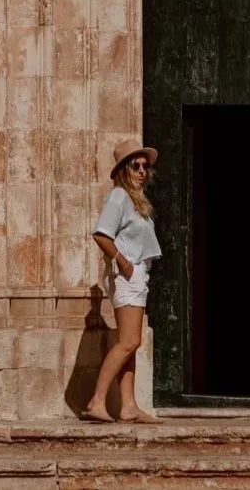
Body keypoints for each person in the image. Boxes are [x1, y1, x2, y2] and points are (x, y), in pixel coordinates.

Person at [82, 138, 162, 423]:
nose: (143, 170)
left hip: (137, 275)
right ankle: (97, 400)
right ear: (123, 170)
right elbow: (102, 233)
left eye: (145, 166)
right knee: (129, 341)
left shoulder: (135, 201)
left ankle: (128, 405)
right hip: (127, 275)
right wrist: (124, 262)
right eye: (136, 165)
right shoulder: (118, 196)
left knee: (131, 342)